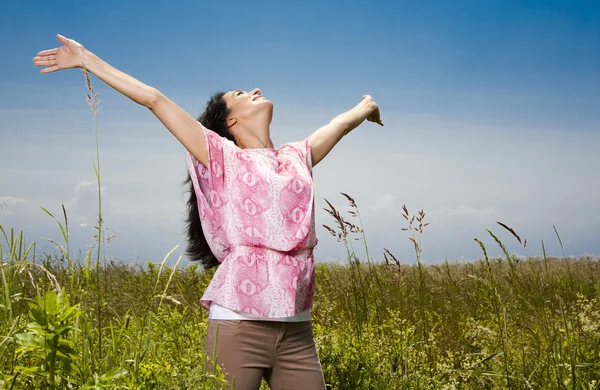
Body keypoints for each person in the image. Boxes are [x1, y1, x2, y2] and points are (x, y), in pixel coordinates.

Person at [33, 34, 384, 390]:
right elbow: (154, 99)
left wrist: (367, 106)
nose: (255, 89)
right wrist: (87, 59)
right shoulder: (221, 157)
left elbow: (337, 125)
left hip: (296, 330)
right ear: (230, 121)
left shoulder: (295, 157)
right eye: (240, 94)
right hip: (238, 325)